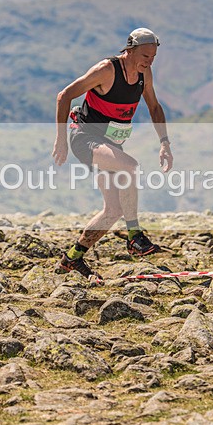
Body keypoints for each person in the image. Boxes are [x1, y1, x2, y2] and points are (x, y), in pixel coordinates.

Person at [52, 28, 173, 284]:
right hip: (84, 137)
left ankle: (73, 257)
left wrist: (165, 143)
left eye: (152, 57)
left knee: (113, 210)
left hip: (109, 144)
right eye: (144, 55)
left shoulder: (144, 74)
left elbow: (154, 107)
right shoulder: (106, 70)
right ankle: (134, 236)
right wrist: (60, 139)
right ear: (129, 49)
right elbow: (64, 96)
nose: (148, 61)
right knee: (130, 166)